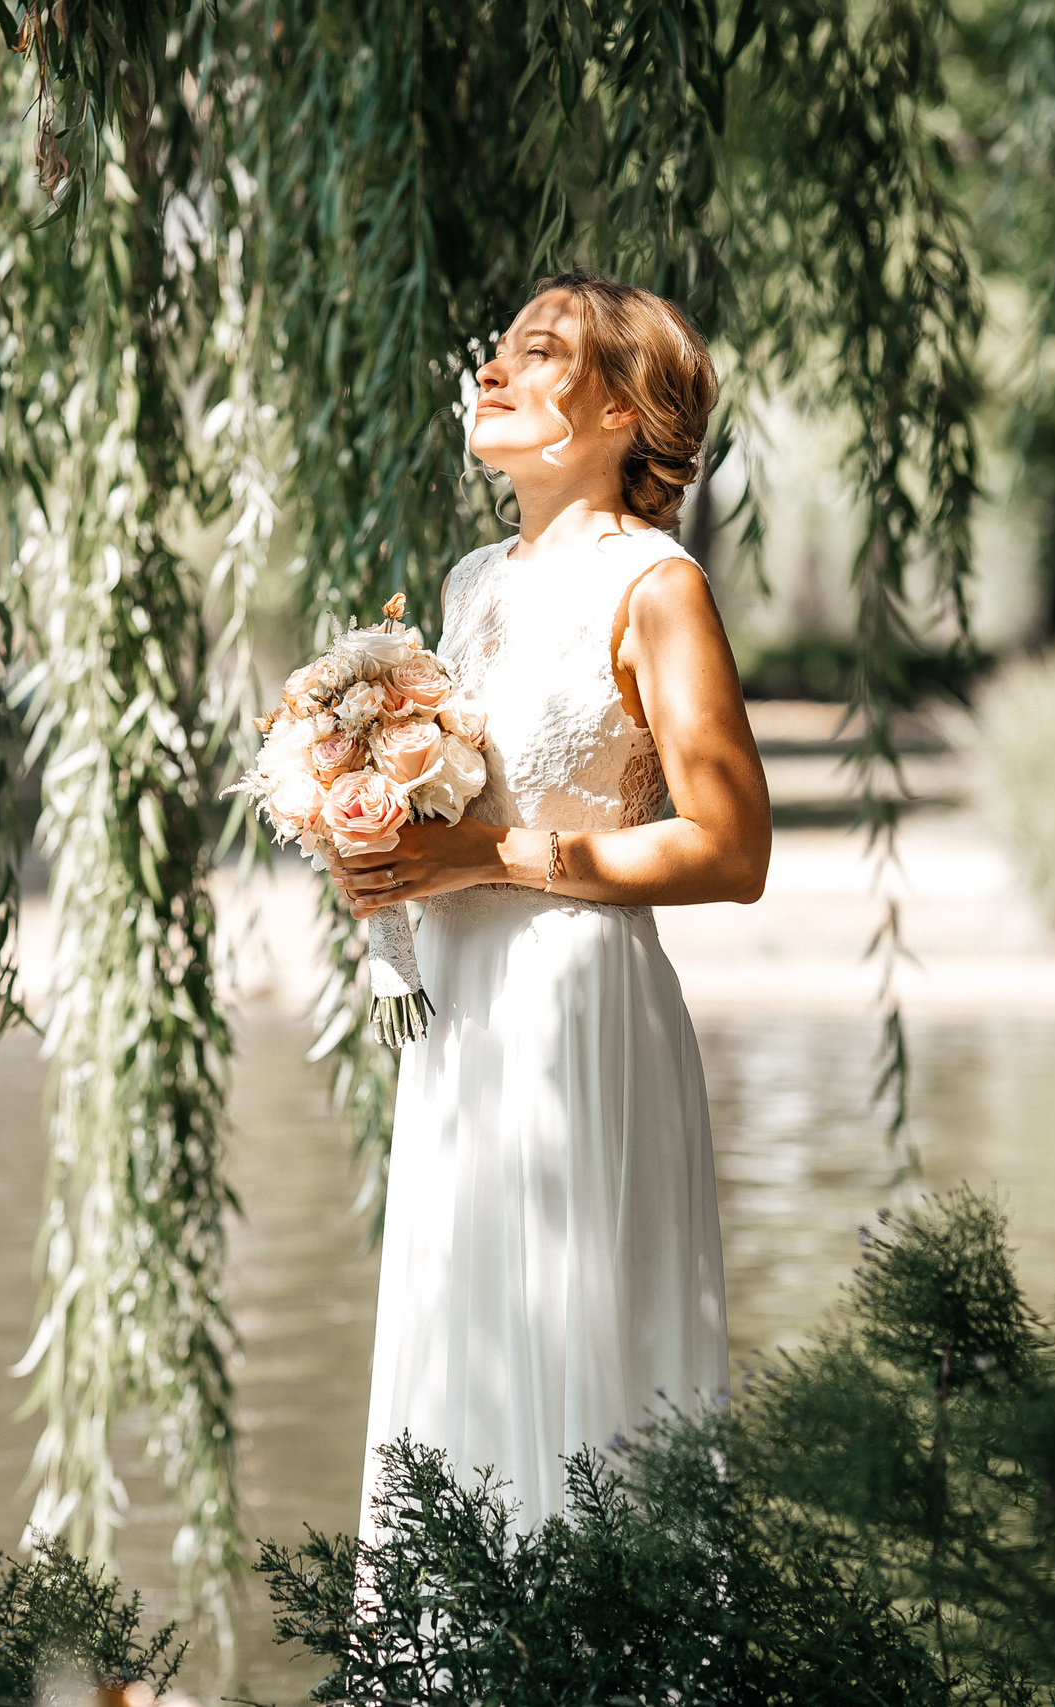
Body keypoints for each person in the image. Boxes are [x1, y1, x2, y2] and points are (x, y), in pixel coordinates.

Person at [333, 271, 773, 1530]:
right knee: (461, 1337)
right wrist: (370, 837)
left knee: (583, 1368)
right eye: (498, 348)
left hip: (575, 1009)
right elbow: (452, 820)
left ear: (627, 411)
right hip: (462, 1019)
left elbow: (733, 851)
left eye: (538, 353)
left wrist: (488, 856)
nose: (493, 369)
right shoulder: (471, 582)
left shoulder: (656, 586)